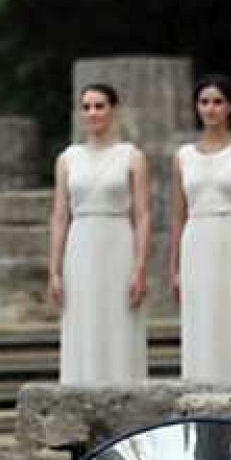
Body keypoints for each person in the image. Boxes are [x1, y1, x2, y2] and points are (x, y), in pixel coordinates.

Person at [50, 84, 151, 384]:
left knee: (118, 321)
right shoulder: (68, 159)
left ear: (113, 110)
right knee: (82, 323)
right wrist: (54, 270)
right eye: (87, 107)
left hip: (118, 241)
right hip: (80, 243)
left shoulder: (132, 157)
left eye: (99, 106)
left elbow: (143, 215)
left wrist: (140, 267)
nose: (93, 113)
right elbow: (59, 215)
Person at [168, 75, 231, 383]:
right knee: (200, 319)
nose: (210, 109)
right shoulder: (183, 157)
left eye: (217, 102)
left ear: (230, 107)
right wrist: (173, 268)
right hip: (196, 239)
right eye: (204, 102)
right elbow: (177, 215)